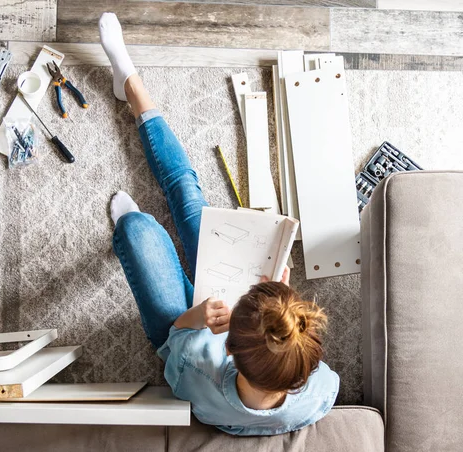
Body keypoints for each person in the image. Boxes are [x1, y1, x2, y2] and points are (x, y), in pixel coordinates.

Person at [99, 12, 339, 436]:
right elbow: (314, 375)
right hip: (235, 331)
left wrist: (192, 319)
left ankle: (137, 223)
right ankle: (132, 88)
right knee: (189, 198)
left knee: (139, 230)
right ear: (302, 370)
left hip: (184, 330)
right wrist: (277, 293)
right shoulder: (316, 391)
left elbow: (175, 345)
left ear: (227, 345)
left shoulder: (196, 371)